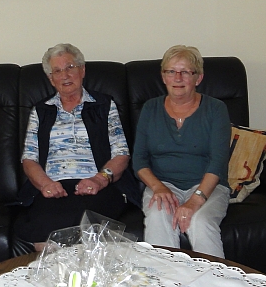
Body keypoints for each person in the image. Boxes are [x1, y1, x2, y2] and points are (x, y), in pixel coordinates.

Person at [14, 43, 139, 254]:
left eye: (70, 67)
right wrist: (46, 184)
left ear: (82, 70)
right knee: (42, 234)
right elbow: (29, 159)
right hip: (54, 186)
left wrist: (99, 179)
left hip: (97, 185)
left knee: (85, 227)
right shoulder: (41, 111)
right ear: (51, 79)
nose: (65, 75)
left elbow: (121, 153)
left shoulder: (104, 105)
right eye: (57, 71)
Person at [132, 45, 231, 258]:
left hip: (208, 186)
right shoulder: (150, 108)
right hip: (163, 184)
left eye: (185, 72)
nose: (177, 78)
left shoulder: (216, 109)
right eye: (171, 71)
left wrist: (195, 200)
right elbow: (139, 159)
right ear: (163, 77)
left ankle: (214, 277)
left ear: (198, 78)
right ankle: (164, 275)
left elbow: (218, 161)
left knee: (200, 221)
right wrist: (158, 187)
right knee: (158, 216)